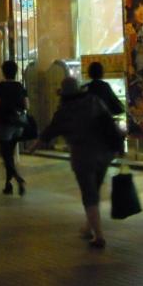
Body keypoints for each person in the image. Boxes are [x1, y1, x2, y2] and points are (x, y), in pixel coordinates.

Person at [36, 75, 122, 249]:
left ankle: (98, 235)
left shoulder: (64, 111)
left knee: (89, 194)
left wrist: (35, 145)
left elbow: (50, 131)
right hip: (104, 153)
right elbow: (108, 120)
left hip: (83, 157)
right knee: (95, 190)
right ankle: (88, 227)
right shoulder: (93, 101)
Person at [0, 59, 28, 196]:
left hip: (5, 123)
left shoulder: (0, 87)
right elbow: (27, 105)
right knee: (9, 154)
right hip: (18, 125)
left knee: (5, 154)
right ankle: (8, 184)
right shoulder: (20, 86)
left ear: (4, 72)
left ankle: (17, 178)